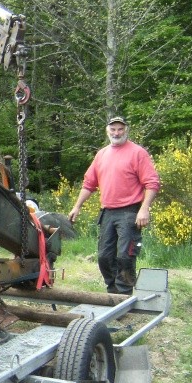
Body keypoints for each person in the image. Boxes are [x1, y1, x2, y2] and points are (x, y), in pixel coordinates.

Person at [67, 116, 160, 294]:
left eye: (120, 129)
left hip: (130, 212)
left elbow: (152, 183)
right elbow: (89, 184)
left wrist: (144, 208)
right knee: (104, 257)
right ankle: (112, 292)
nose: (116, 133)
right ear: (107, 131)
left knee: (125, 256)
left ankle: (124, 295)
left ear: (126, 130)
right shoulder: (101, 154)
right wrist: (77, 206)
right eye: (113, 129)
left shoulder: (138, 153)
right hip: (107, 212)